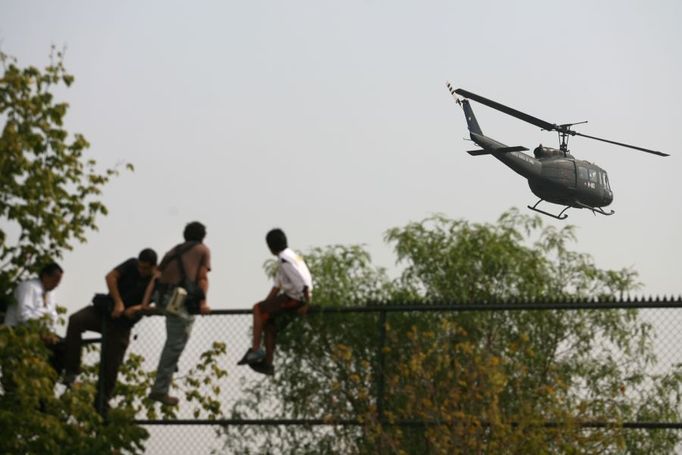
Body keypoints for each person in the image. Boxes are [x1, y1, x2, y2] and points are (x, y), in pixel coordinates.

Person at [62, 249, 157, 413]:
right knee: (76, 320)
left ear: (153, 267)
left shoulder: (158, 280)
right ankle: (71, 369)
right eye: (140, 267)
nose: (142, 271)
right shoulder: (131, 264)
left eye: (145, 269)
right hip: (105, 312)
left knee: (110, 366)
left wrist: (136, 308)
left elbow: (155, 305)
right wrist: (118, 302)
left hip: (122, 325)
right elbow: (110, 277)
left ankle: (101, 404)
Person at [144, 221, 211, 406]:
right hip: (177, 300)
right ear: (202, 237)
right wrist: (203, 303)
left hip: (162, 298)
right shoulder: (202, 250)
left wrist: (146, 303)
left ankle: (171, 366)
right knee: (175, 344)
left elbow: (156, 276)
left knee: (176, 341)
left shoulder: (173, 251)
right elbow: (202, 278)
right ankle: (160, 389)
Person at [238, 228, 312, 376]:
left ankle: (256, 350)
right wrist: (265, 307)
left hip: (296, 298)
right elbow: (277, 286)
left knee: (257, 308)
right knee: (268, 323)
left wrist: (306, 303)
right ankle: (268, 364)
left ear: (270, 247)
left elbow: (302, 282)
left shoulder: (285, 261)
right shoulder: (291, 256)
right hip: (296, 295)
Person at [4, 262, 65, 373]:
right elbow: (23, 315)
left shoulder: (50, 293)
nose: (57, 285)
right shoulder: (28, 288)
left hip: (41, 333)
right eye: (55, 281)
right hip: (18, 331)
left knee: (64, 346)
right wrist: (40, 332)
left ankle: (51, 381)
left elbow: (53, 315)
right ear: (46, 276)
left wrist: (49, 332)